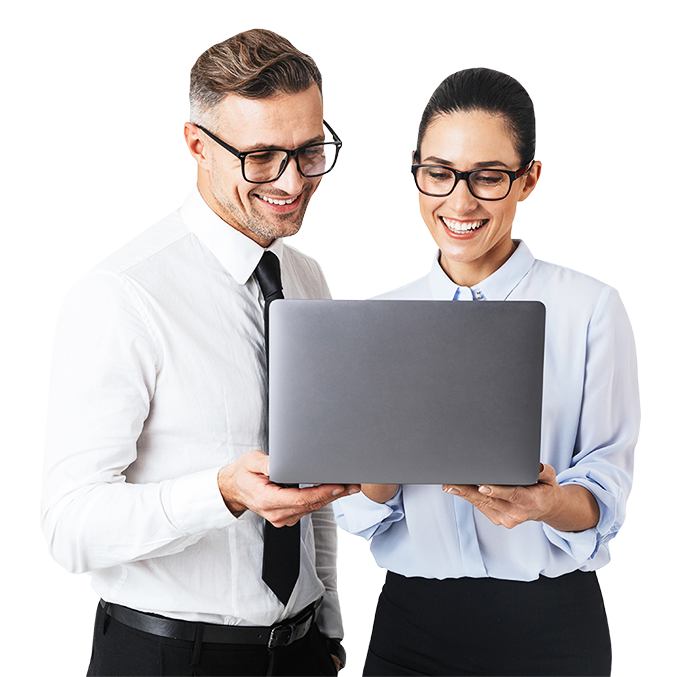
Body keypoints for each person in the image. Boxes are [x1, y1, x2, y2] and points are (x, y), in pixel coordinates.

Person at [41, 28, 358, 677]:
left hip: (301, 652)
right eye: (262, 156)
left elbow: (313, 483)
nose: (293, 180)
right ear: (197, 145)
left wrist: (327, 627)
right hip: (169, 657)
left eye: (310, 150)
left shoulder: (306, 279)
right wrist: (222, 492)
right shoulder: (122, 295)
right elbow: (70, 527)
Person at [333, 66, 639, 677]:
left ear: (529, 179)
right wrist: (380, 472)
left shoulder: (588, 309)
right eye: (438, 173)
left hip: (553, 633)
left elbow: (607, 487)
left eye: (489, 177)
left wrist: (547, 503)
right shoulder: (379, 320)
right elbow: (362, 512)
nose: (460, 201)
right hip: (411, 630)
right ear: (417, 172)